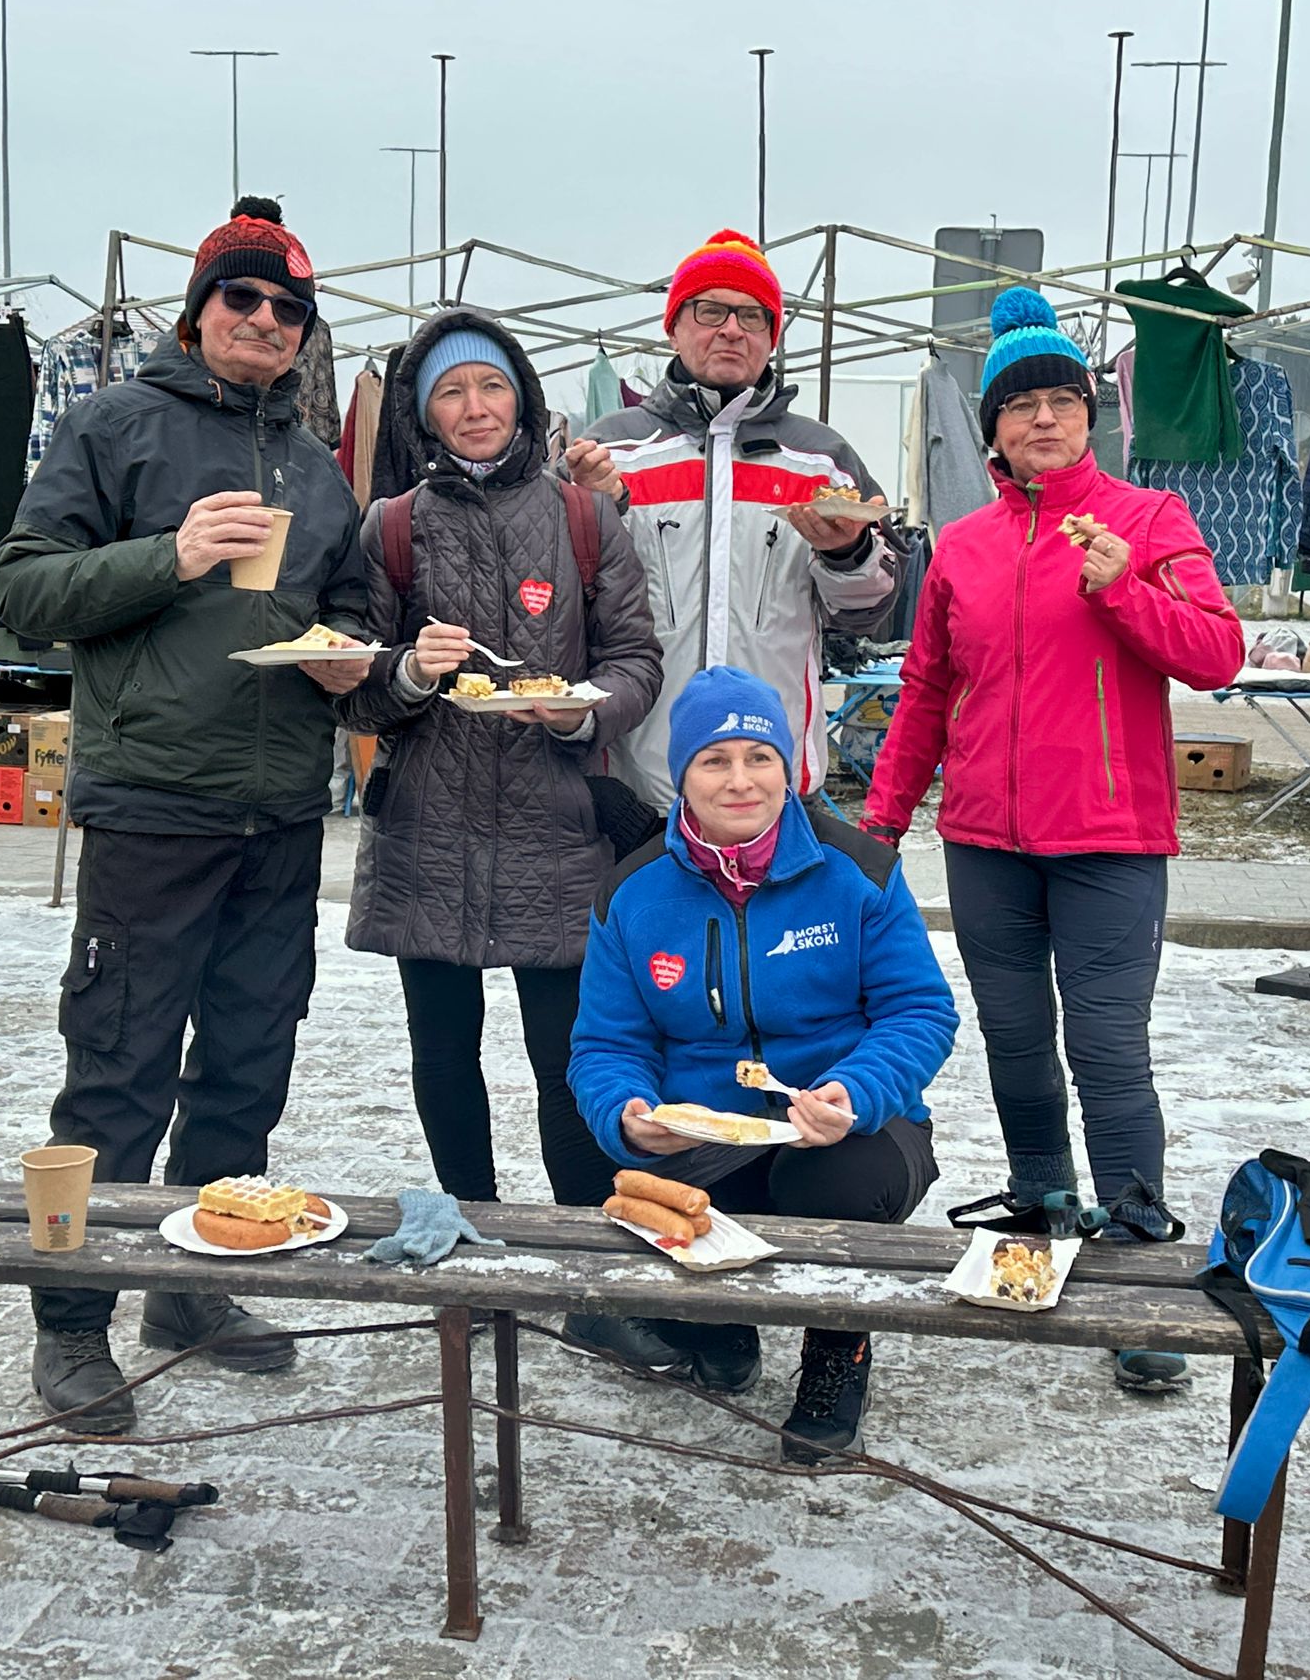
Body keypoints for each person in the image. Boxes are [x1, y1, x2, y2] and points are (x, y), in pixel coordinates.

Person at [0, 197, 370, 1433]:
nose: (264, 319)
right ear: (199, 311)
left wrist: (347, 651)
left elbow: (351, 604)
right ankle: (72, 1321)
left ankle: (193, 1285)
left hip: (281, 810)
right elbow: (24, 593)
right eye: (241, 297)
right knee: (118, 1070)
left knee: (247, 1067)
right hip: (154, 805)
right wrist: (171, 553)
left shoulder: (317, 466)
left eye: (287, 309)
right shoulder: (116, 424)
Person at [861, 288, 1245, 1393]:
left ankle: (1136, 1263)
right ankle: (1043, 1200)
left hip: (1111, 839)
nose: (1043, 419)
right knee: (1016, 1038)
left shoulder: (1149, 521)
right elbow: (926, 692)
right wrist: (882, 820)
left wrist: (1122, 589)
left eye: (1061, 403)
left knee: (1109, 1049)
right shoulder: (963, 547)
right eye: (1021, 405)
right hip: (985, 837)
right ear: (992, 428)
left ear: (1089, 417)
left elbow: (1215, 654)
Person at [570, 667, 957, 1463]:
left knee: (830, 1188)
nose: (740, 780)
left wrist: (856, 1090)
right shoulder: (632, 893)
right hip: (707, 1137)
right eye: (715, 761)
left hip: (850, 1132)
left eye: (760, 757)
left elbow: (921, 1012)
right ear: (682, 777)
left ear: (788, 767)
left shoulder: (859, 871)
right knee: (650, 1207)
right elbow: (606, 1046)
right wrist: (630, 1116)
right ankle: (721, 1327)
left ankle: (837, 1352)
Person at [336, 308, 662, 1210]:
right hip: (427, 830)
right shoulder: (392, 526)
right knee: (443, 1053)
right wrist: (406, 672)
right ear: (423, 414)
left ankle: (583, 1236)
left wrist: (578, 715)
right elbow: (353, 687)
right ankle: (470, 1221)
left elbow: (636, 661)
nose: (475, 407)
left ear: (521, 397)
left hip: (557, 828)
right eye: (451, 392)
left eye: (491, 385)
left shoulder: (584, 518)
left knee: (569, 1058)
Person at [572, 230, 899, 811]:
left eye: (752, 316)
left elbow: (868, 614)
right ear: (673, 327)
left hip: (773, 784)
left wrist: (847, 554)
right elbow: (556, 599)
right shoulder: (611, 452)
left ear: (771, 338)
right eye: (710, 310)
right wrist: (591, 511)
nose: (731, 329)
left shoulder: (821, 460)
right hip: (634, 783)